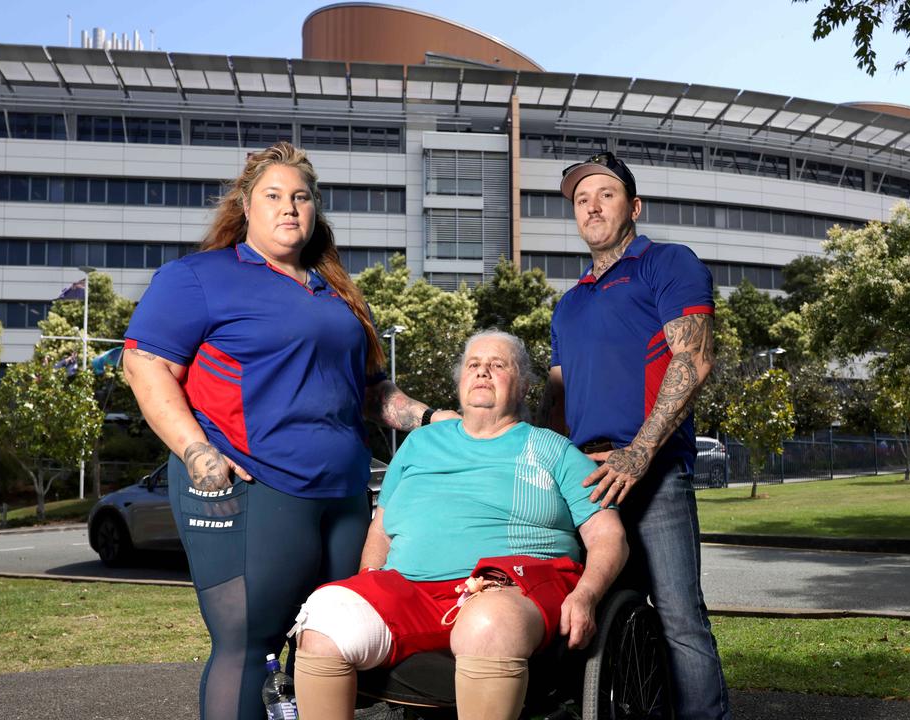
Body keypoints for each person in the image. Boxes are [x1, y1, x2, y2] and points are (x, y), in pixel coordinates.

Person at [122, 142, 454, 720]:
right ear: (245, 207)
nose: (289, 208)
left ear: (315, 210)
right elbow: (144, 366)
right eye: (273, 196)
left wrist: (431, 419)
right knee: (248, 646)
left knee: (328, 649)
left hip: (345, 495)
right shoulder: (199, 278)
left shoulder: (340, 294)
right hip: (253, 488)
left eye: (301, 197)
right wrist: (198, 451)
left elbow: (374, 394)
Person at [291, 330, 628, 720]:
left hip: (513, 586)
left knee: (485, 622)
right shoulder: (419, 444)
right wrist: (371, 583)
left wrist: (585, 596)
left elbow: (608, 535)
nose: (483, 372)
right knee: (326, 615)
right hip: (413, 589)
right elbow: (380, 530)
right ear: (460, 381)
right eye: (474, 365)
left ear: (521, 384)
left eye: (498, 365)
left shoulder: (553, 450)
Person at [539, 152, 730, 719]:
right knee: (588, 608)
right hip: (583, 480)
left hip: (653, 470)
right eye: (581, 199)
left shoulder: (667, 264)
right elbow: (558, 396)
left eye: (606, 194)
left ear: (634, 206)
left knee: (678, 618)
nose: (592, 205)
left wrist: (640, 451)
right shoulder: (569, 305)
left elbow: (692, 360)